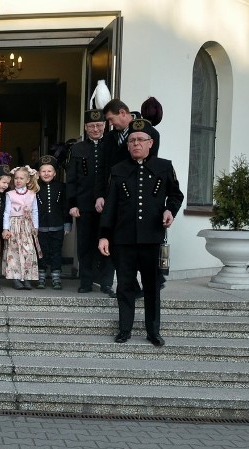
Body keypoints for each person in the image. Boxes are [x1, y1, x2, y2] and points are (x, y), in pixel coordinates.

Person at [98, 119, 183, 347]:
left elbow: (176, 195)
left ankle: (153, 331)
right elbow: (111, 206)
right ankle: (124, 329)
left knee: (152, 287)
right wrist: (104, 235)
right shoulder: (118, 170)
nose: (136, 144)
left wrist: (169, 210)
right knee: (125, 286)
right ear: (127, 146)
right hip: (123, 239)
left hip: (152, 238)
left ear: (150, 143)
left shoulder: (164, 167)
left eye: (141, 140)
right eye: (132, 140)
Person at [67, 109, 114, 294]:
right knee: (85, 245)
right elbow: (71, 179)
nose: (95, 129)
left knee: (106, 243)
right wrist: (72, 204)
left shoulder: (111, 146)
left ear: (105, 126)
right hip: (84, 205)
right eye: (91, 126)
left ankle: (106, 282)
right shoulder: (77, 149)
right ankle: (85, 281)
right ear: (86, 128)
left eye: (99, 125)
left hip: (108, 206)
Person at [35, 155, 70, 290]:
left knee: (56, 251)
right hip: (40, 227)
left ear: (55, 173)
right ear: (38, 173)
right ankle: (41, 277)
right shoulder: (35, 187)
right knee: (41, 252)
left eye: (49, 171)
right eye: (43, 171)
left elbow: (65, 206)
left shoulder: (62, 187)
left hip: (58, 226)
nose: (46, 174)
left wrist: (68, 223)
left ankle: (56, 277)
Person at [2, 166, 40, 290]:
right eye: (16, 178)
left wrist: (36, 226)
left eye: (21, 178)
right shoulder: (10, 194)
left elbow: (35, 211)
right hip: (14, 226)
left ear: (28, 180)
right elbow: (7, 212)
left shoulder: (32, 194)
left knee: (28, 251)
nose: (18, 180)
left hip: (27, 226)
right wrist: (6, 228)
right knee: (14, 251)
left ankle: (27, 277)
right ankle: (16, 278)